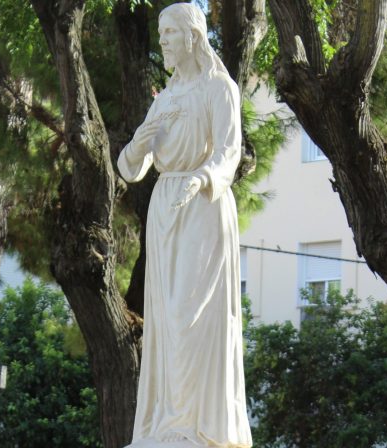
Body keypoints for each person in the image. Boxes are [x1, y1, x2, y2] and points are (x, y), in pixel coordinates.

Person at [117, 3, 252, 447]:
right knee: (164, 320)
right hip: (165, 209)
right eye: (160, 35)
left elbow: (229, 151)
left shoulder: (219, 88)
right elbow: (129, 168)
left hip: (205, 207)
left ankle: (198, 426)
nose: (163, 43)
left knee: (191, 316)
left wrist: (204, 177)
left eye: (169, 34)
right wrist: (140, 140)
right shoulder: (167, 98)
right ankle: (167, 424)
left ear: (193, 36)